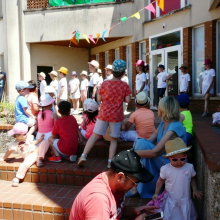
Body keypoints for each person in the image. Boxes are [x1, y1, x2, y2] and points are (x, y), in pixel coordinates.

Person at [70, 150, 159, 220]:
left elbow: (113, 212)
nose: (135, 186)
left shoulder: (114, 183)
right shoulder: (98, 199)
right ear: (120, 177)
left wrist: (133, 211)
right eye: (134, 183)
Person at [128, 96, 187, 198]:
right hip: (163, 157)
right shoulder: (164, 123)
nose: (157, 109)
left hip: (173, 161)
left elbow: (155, 152)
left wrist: (132, 154)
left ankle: (139, 185)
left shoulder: (174, 128)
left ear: (165, 110)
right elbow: (151, 139)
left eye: (159, 107)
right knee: (141, 143)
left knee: (143, 148)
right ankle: (140, 185)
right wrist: (137, 150)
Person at [78, 59, 132, 168]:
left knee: (95, 135)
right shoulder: (124, 85)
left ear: (112, 71)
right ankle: (110, 162)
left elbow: (99, 98)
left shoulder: (105, 83)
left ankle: (83, 155)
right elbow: (127, 100)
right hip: (116, 116)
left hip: (103, 114)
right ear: (123, 73)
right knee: (114, 139)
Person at [153, 138, 203, 220]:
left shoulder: (189, 167)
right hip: (171, 197)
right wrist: (156, 193)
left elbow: (193, 178)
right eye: (175, 160)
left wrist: (195, 189)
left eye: (182, 159)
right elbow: (160, 181)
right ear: (169, 158)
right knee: (172, 215)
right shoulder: (165, 169)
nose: (179, 162)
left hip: (185, 197)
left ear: (186, 156)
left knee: (184, 215)